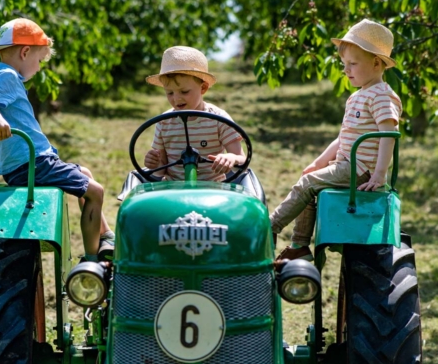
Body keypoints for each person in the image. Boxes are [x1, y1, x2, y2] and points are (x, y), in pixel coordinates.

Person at [0, 18, 114, 262]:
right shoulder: (7, 77)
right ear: (25, 52)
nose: (40, 68)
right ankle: (93, 260)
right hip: (34, 164)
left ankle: (106, 235)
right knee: (96, 191)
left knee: (85, 173)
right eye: (40, 61)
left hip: (21, 166)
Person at [270, 19, 402, 262]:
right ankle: (299, 245)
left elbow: (388, 136)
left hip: (360, 170)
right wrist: (320, 162)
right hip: (346, 166)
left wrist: (379, 174)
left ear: (376, 63)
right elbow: (343, 138)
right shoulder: (358, 96)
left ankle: (271, 226)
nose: (346, 69)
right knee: (311, 183)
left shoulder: (382, 95)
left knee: (309, 182)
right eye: (344, 64)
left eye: (353, 63)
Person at [144, 46, 246, 181]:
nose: (176, 98)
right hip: (172, 193)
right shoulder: (164, 122)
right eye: (170, 93)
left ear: (203, 88)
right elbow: (162, 169)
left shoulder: (218, 119)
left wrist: (231, 158)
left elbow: (242, 158)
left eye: (184, 92)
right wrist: (155, 163)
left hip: (212, 192)